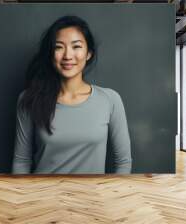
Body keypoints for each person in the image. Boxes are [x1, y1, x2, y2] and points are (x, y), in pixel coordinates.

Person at [12, 15, 132, 174]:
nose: (68, 56)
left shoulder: (110, 100)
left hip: (92, 197)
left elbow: (123, 162)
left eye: (76, 46)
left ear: (88, 53)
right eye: (59, 47)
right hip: (43, 195)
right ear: (50, 54)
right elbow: (21, 161)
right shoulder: (29, 99)